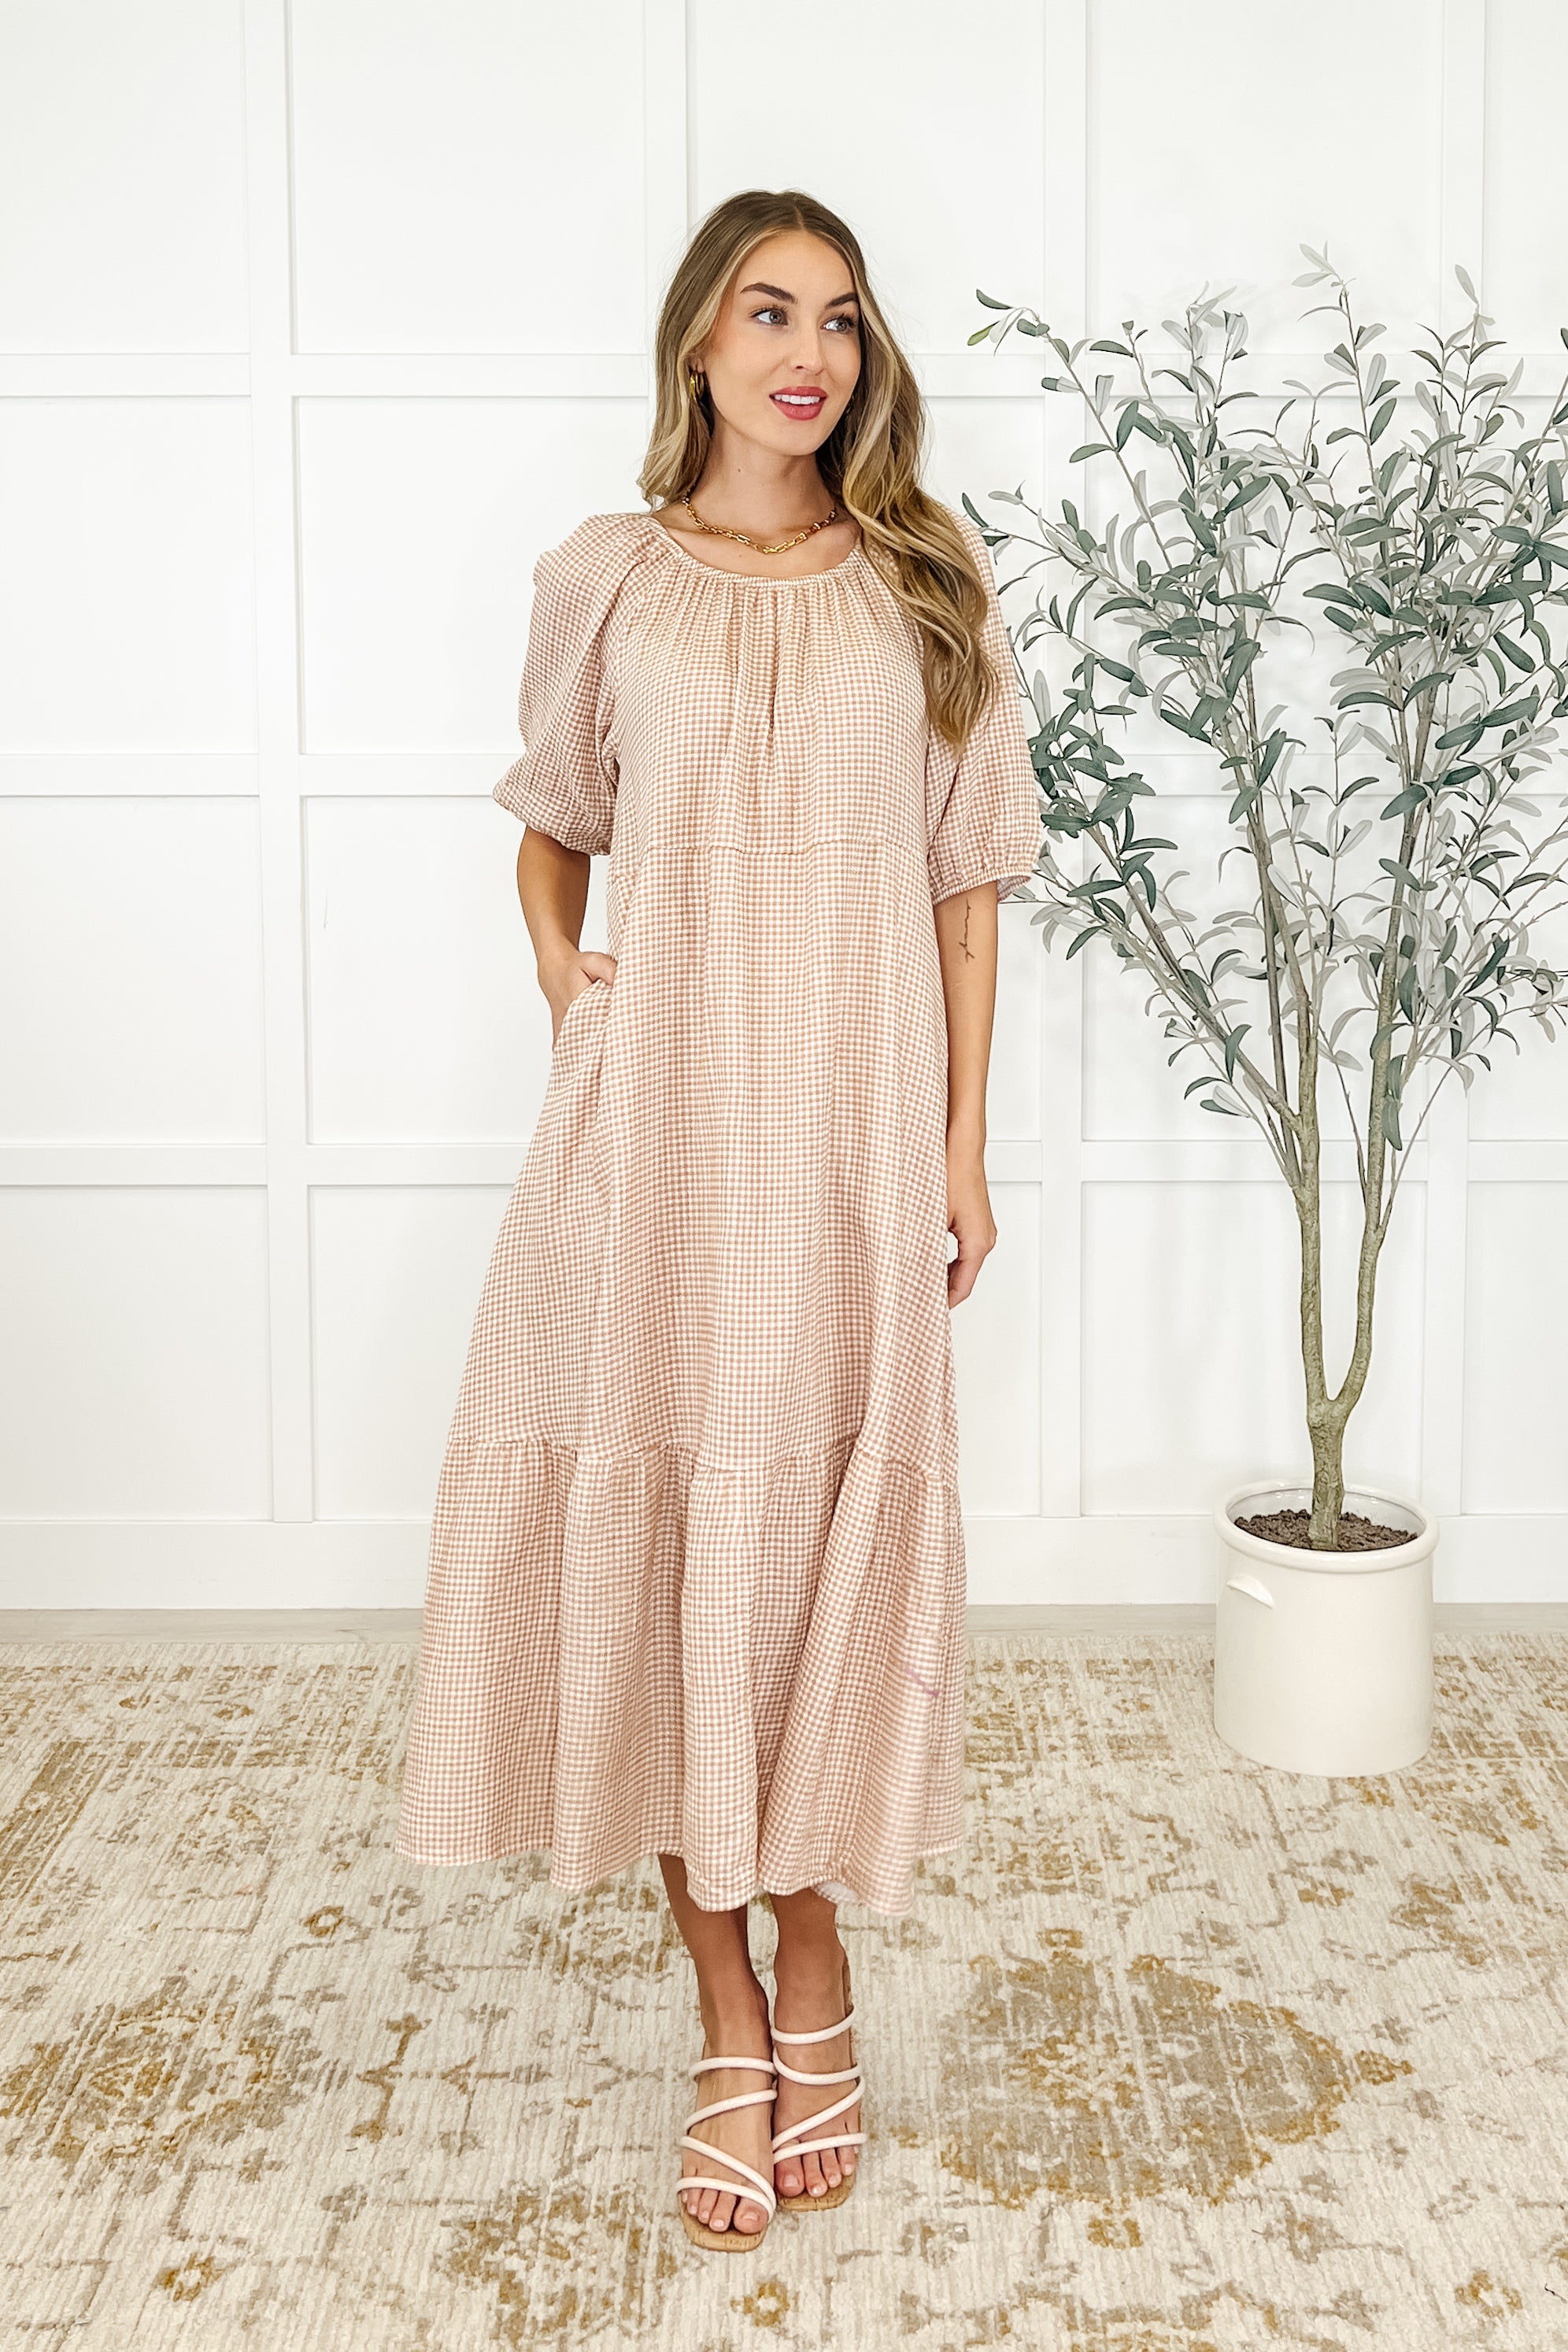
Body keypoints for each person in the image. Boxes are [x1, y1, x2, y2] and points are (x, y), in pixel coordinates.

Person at [393, 187, 1040, 2252]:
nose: (810, 352)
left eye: (841, 319)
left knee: (815, 1554)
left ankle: (822, 1948)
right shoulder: (611, 581)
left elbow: (967, 885)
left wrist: (959, 1142)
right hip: (657, 1140)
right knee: (679, 1549)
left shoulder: (922, 587)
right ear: (696, 341)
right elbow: (550, 827)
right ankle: (728, 2009)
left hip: (845, 1142)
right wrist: (565, 980)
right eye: (770, 312)